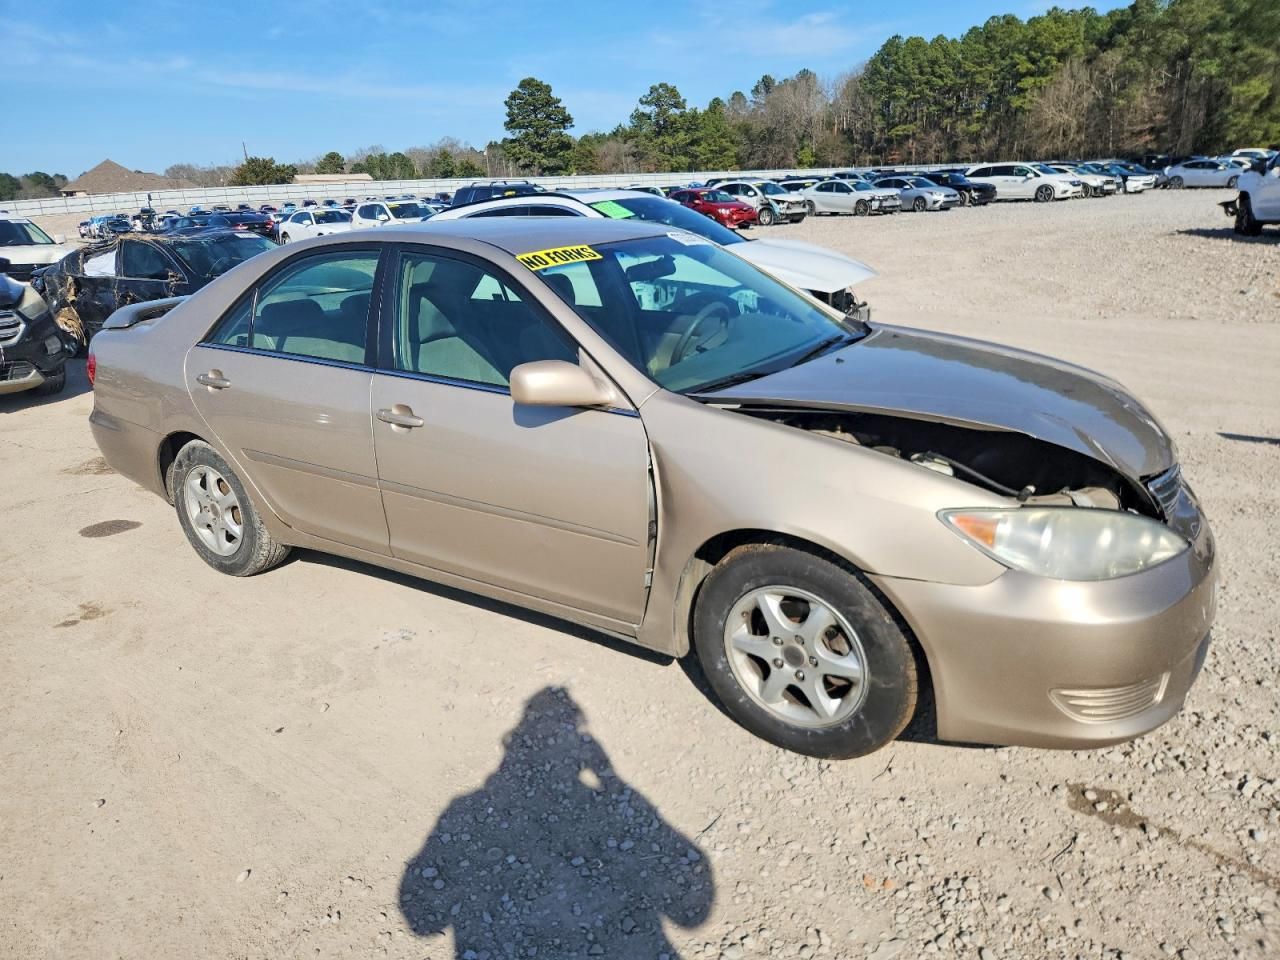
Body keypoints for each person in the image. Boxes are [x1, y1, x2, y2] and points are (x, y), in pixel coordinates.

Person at [400, 686, 714, 958]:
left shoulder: (466, 808)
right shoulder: (469, 808)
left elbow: (423, 920)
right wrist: (611, 780)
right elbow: (693, 914)